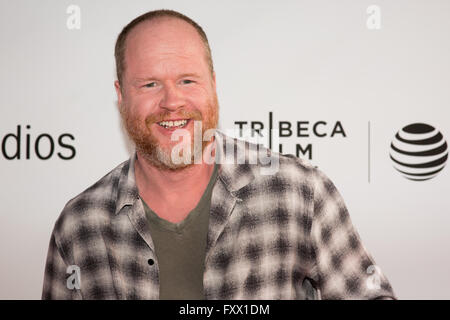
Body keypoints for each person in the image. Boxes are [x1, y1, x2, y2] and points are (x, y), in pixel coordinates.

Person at [42, 9, 396, 300]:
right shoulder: (80, 225)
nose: (171, 101)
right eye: (149, 84)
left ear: (213, 84)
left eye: (187, 80)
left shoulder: (300, 192)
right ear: (121, 95)